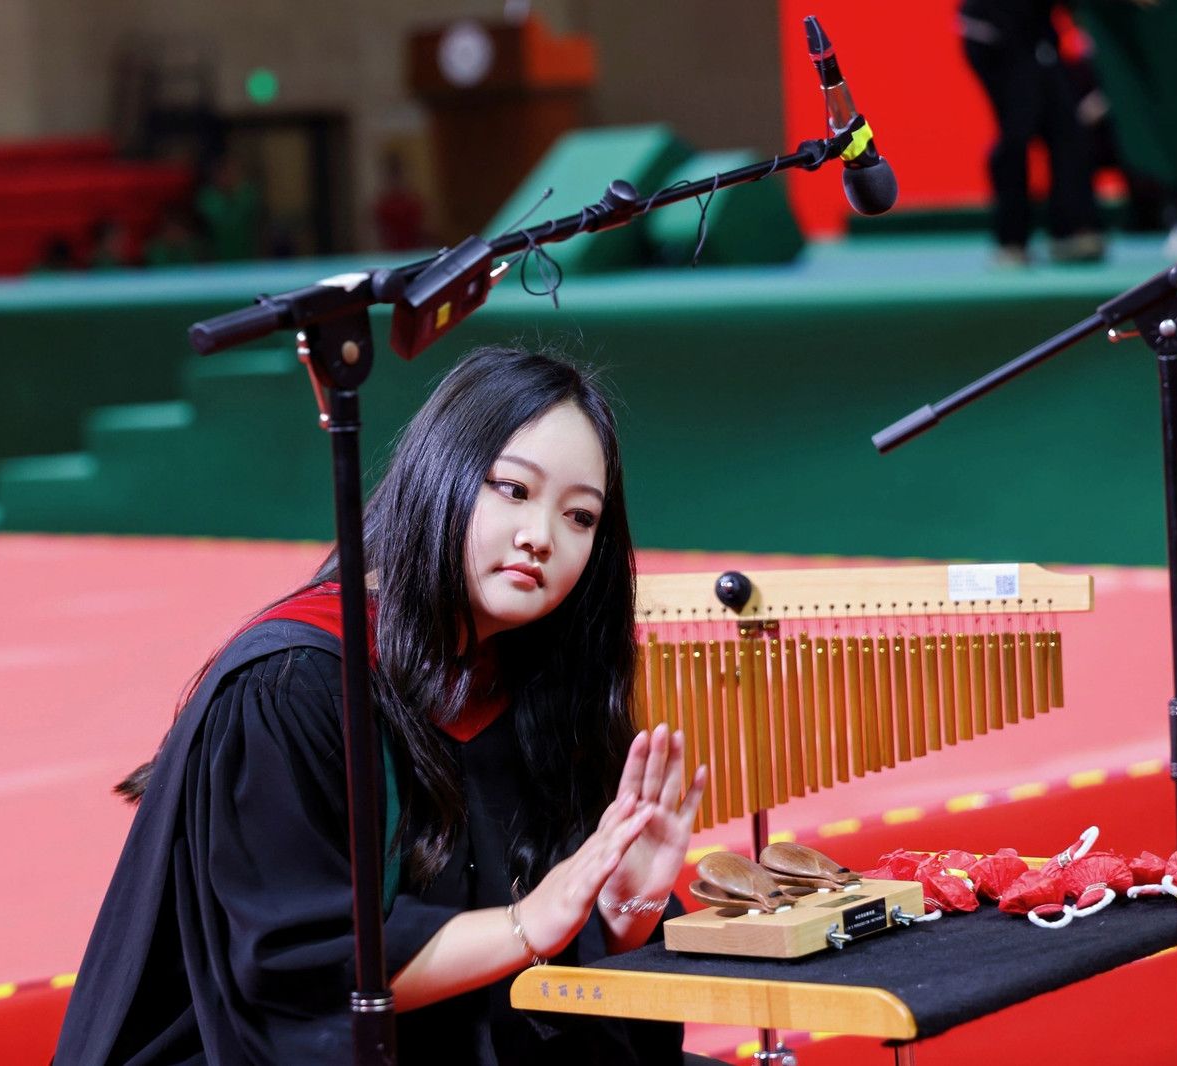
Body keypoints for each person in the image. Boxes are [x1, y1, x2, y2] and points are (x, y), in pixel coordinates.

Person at [55, 346, 706, 1064]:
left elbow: (558, 972)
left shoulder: (538, 686)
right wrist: (527, 924)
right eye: (513, 489)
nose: (540, 537)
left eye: (580, 516)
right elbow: (299, 975)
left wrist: (624, 911)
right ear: (439, 473)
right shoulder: (295, 684)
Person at [959, 0, 1104, 265]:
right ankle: (1011, 241)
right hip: (993, 34)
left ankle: (1071, 231)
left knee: (1067, 128)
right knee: (1017, 131)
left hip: (1036, 36)